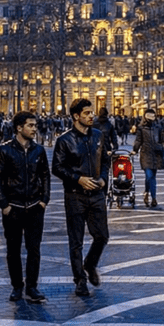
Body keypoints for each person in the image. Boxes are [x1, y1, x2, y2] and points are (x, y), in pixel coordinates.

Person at [52, 98, 111, 297]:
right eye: (86, 113)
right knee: (76, 241)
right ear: (76, 116)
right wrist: (77, 179)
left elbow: (105, 160)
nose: (90, 116)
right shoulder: (64, 140)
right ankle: (80, 280)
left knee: (102, 235)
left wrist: (103, 178)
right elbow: (57, 168)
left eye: (91, 112)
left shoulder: (98, 135)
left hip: (97, 194)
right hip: (75, 196)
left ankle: (90, 263)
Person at [0, 111, 51, 303]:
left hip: (35, 206)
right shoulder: (4, 150)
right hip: (14, 207)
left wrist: (44, 200)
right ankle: (17, 286)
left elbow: (45, 176)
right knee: (13, 250)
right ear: (19, 128)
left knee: (34, 249)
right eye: (31, 125)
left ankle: (32, 287)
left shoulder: (38, 150)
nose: (35, 129)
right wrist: (4, 204)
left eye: (35, 125)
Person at [132, 107, 164, 208]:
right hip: (146, 154)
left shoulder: (158, 127)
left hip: (156, 154)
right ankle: (154, 198)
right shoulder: (141, 128)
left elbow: (161, 139)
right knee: (150, 175)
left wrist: (162, 141)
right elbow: (138, 140)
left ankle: (147, 192)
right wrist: (135, 149)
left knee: (151, 177)